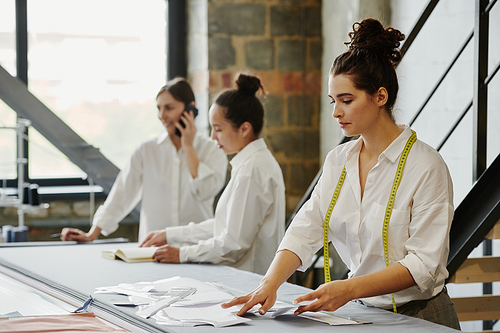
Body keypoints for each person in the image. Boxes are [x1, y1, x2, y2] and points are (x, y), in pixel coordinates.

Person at [222, 18, 460, 330]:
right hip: (362, 313)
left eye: (346, 101)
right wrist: (270, 282)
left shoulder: (427, 167)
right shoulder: (339, 161)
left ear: (380, 97)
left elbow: (423, 266)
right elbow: (307, 227)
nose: (336, 112)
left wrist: (347, 289)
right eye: (333, 101)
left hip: (419, 317)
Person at [140, 73, 286, 275]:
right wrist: (170, 234)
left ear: (244, 129)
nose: (212, 137)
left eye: (218, 129)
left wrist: (183, 254)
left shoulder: (253, 170)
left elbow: (233, 244)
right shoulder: (249, 164)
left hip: (246, 281)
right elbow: (224, 226)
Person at [61, 78, 228, 242]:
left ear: (190, 108)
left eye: (169, 108)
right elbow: (122, 194)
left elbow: (205, 191)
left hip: (197, 250)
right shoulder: (146, 150)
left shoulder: (212, 149)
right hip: (154, 251)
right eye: (159, 108)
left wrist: (189, 148)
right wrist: (92, 234)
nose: (162, 115)